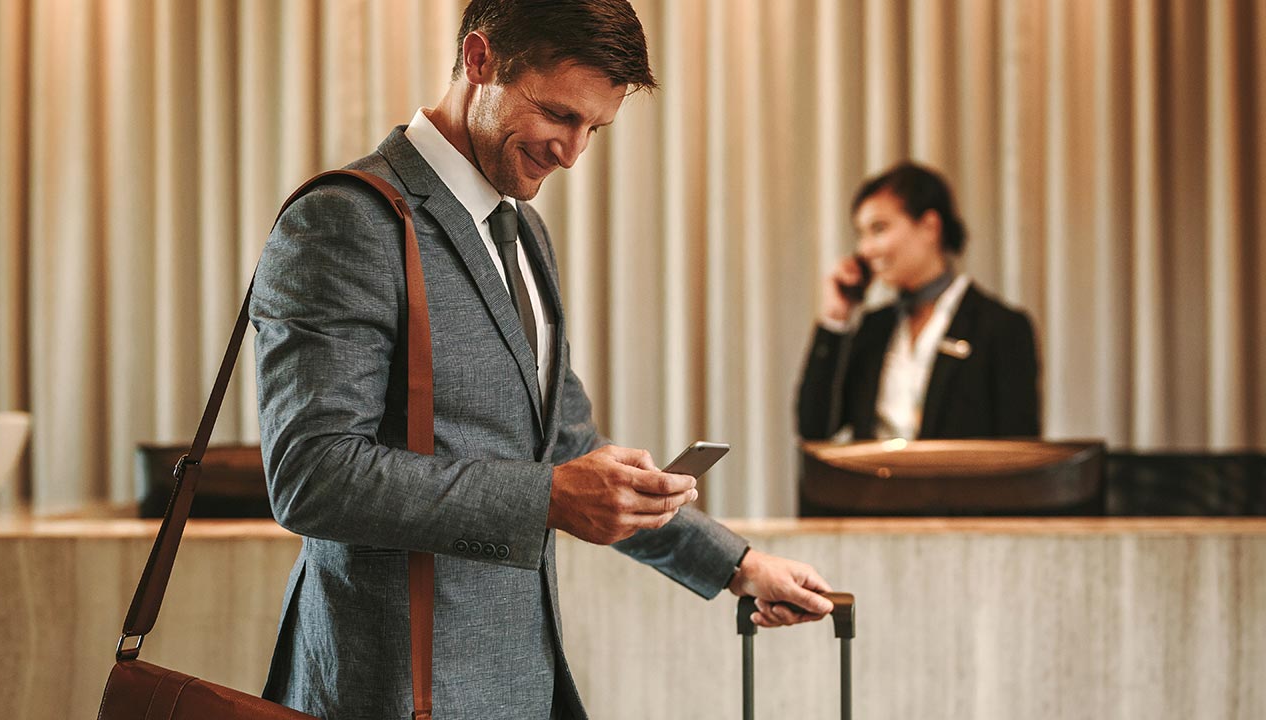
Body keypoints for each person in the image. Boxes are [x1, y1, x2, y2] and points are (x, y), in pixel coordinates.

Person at [251, 2, 834, 718]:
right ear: (478, 61)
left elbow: (562, 443)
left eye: (595, 128)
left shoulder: (524, 233)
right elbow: (311, 475)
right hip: (392, 691)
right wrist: (549, 496)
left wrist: (738, 566)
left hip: (523, 683)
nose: (572, 152)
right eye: (559, 114)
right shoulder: (347, 220)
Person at [796, 162, 1041, 442]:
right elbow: (814, 428)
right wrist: (836, 319)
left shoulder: (1000, 327)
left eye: (879, 229)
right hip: (872, 486)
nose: (865, 249)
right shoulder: (875, 327)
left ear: (929, 226)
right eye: (861, 235)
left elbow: (1019, 453)